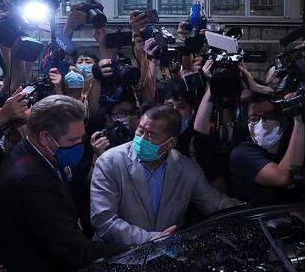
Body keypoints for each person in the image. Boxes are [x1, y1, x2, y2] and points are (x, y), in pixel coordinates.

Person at [0, 95, 122, 272]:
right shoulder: (31, 181)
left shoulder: (32, 153)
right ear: (44, 137)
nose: (80, 145)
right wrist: (134, 249)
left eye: (81, 138)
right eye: (72, 140)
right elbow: (74, 251)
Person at [90, 105, 241, 246]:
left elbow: (214, 204)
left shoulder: (186, 169)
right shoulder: (109, 162)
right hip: (117, 255)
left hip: (165, 256)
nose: (141, 139)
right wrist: (150, 239)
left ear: (170, 143)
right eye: (140, 131)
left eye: (151, 135)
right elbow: (104, 220)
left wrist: (243, 210)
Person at [229, 95, 305, 203]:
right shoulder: (241, 154)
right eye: (254, 118)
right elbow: (284, 177)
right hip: (262, 216)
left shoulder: (291, 142)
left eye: (268, 116)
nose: (262, 124)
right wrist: (299, 121)